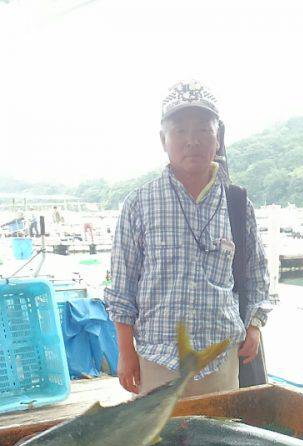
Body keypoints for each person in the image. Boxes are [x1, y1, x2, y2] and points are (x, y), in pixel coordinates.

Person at [105, 80, 272, 397]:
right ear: (163, 139)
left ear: (218, 138)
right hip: (157, 361)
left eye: (203, 130)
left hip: (221, 359)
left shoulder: (237, 203)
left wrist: (254, 326)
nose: (192, 140)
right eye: (180, 131)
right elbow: (121, 287)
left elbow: (257, 273)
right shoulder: (138, 203)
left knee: (220, 442)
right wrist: (126, 353)